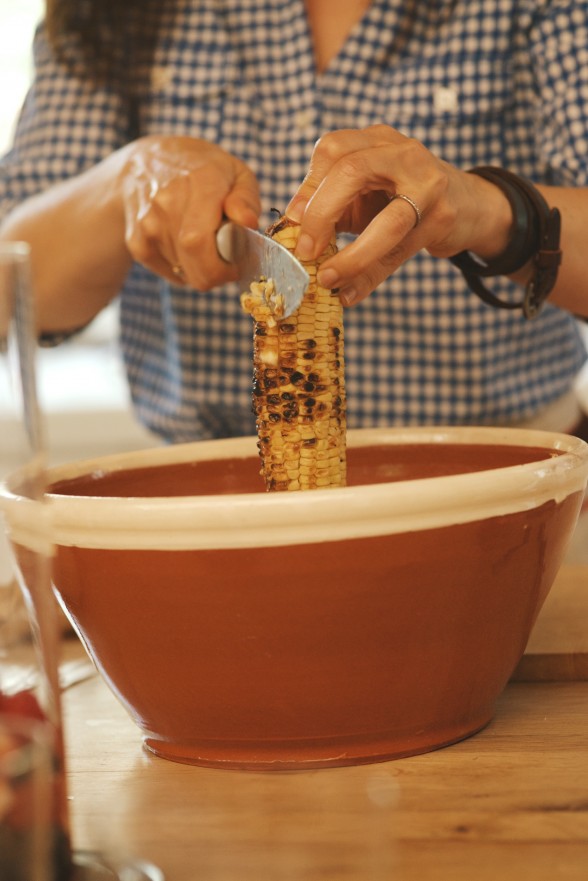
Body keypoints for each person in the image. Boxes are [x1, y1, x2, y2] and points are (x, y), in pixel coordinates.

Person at [0, 0, 587, 445]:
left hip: (498, 477)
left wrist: (486, 209)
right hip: (212, 502)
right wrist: (125, 180)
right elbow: (12, 288)